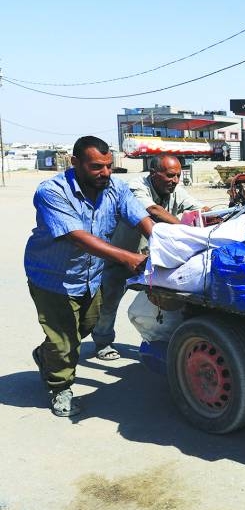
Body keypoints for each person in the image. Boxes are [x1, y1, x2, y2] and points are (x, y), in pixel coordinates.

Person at [25, 136, 155, 417]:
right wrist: (129, 258)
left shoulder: (115, 187)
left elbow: (141, 218)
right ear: (75, 162)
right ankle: (59, 387)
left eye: (109, 166)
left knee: (85, 326)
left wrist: (165, 244)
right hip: (52, 277)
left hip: (91, 275)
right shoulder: (52, 191)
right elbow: (78, 237)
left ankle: (46, 354)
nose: (105, 172)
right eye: (96, 167)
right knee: (65, 340)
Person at [91, 155, 205, 361]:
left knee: (174, 299)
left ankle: (168, 341)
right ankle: (103, 341)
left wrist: (212, 215)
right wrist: (186, 230)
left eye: (178, 175)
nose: (175, 180)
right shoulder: (136, 187)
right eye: (170, 175)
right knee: (109, 300)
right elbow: (153, 211)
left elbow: (198, 209)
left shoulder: (176, 190)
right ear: (153, 174)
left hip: (154, 259)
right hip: (123, 256)